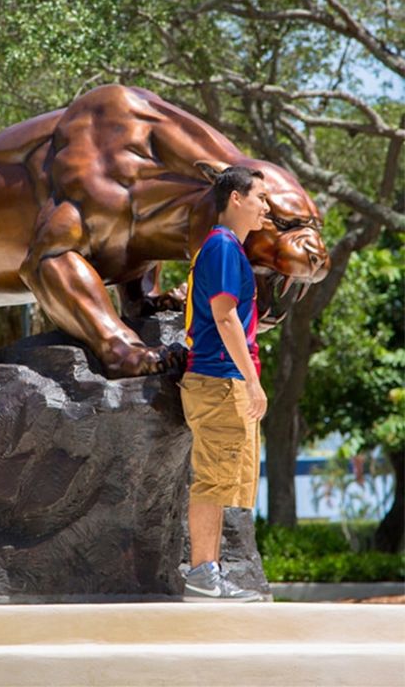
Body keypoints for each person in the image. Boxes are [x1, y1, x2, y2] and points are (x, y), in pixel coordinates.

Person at [180, 166, 270, 602]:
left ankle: (208, 571)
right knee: (214, 480)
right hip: (219, 380)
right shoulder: (222, 245)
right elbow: (224, 316)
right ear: (236, 198)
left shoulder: (224, 248)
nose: (265, 208)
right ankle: (202, 571)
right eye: (260, 198)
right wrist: (253, 382)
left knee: (219, 479)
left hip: (218, 378)